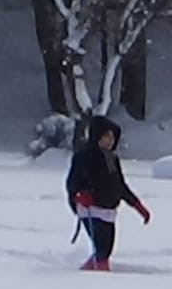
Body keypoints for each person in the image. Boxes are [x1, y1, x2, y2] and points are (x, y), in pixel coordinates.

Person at [65, 115, 151, 271]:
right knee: (102, 248)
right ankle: (102, 278)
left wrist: (137, 206)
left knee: (106, 248)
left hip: (108, 209)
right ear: (97, 136)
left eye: (112, 137)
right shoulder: (84, 156)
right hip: (90, 209)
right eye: (106, 136)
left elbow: (120, 186)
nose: (110, 141)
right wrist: (77, 197)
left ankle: (89, 270)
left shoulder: (112, 159)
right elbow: (72, 182)